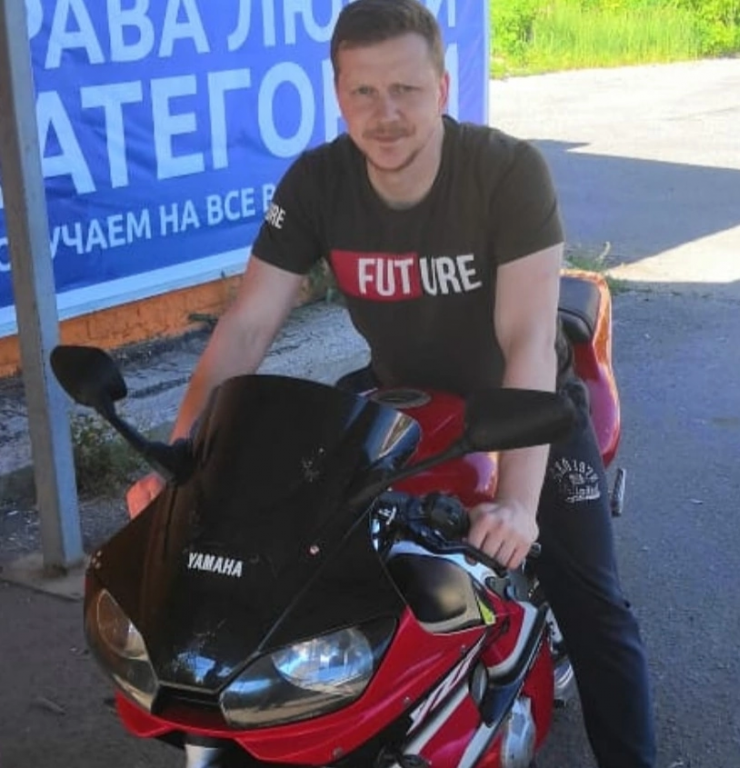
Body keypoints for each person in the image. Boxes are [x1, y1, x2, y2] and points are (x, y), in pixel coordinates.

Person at [127, 1, 656, 765]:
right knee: (312, 569)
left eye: (405, 89)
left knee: (595, 606)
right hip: (400, 405)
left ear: (442, 87)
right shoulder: (317, 182)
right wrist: (182, 462)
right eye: (364, 92)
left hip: (524, 405)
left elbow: (526, 339)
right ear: (339, 95)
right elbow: (246, 327)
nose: (386, 114)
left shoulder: (506, 172)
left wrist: (516, 500)